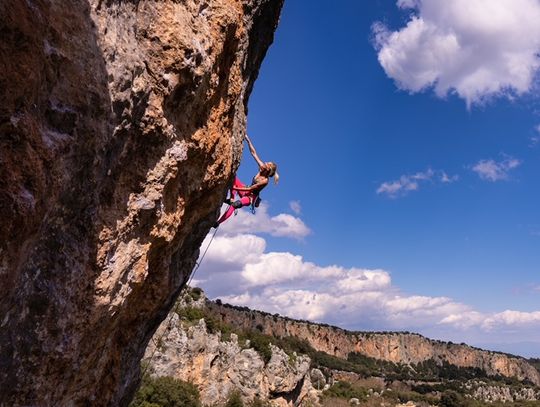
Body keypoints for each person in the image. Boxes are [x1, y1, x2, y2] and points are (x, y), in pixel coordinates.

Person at [214, 134, 279, 227]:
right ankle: (231, 198)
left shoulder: (265, 181)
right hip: (245, 189)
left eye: (267, 164)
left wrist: (235, 188)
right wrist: (248, 140)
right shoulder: (262, 168)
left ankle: (217, 223)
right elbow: (254, 153)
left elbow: (250, 190)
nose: (265, 163)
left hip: (250, 198)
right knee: (233, 176)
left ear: (268, 169)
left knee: (235, 205)